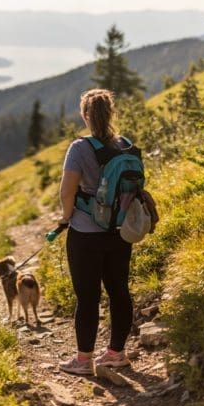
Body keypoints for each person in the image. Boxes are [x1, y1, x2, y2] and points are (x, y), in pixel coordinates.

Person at [56, 88, 135, 375]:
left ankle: (83, 360)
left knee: (88, 297)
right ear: (111, 113)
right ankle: (116, 353)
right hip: (119, 231)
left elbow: (67, 191)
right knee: (119, 291)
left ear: (85, 115)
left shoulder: (79, 148)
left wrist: (65, 218)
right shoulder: (125, 145)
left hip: (86, 233)